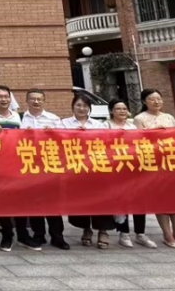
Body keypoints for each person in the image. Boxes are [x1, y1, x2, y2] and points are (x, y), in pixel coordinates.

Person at [0, 86, 39, 252]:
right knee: (3, 201)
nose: (3, 99)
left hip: (17, 164)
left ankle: (23, 235)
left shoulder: (18, 116)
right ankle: (7, 235)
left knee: (20, 200)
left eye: (6, 96)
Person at [134, 89, 175, 248]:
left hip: (172, 162)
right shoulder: (139, 118)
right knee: (161, 199)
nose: (156, 102)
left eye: (158, 98)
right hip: (154, 163)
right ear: (144, 101)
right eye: (152, 99)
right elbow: (138, 141)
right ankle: (167, 234)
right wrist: (155, 133)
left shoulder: (169, 117)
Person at [63, 95, 115, 249]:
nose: (81, 108)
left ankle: (103, 230)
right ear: (73, 107)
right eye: (78, 105)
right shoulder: (64, 123)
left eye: (85, 106)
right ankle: (86, 228)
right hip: (76, 169)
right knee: (81, 200)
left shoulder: (99, 125)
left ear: (90, 108)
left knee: (101, 199)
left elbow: (108, 143)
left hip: (96, 168)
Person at [19, 89, 69, 251]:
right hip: (29, 165)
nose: (36, 102)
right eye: (32, 99)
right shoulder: (20, 118)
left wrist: (53, 133)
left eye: (39, 99)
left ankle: (57, 236)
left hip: (50, 165)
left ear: (44, 100)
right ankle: (38, 234)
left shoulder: (53, 119)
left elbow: (64, 140)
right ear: (27, 101)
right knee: (35, 202)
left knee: (53, 201)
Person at [107, 99, 155, 248]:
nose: (122, 111)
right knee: (121, 200)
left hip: (133, 167)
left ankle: (140, 233)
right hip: (115, 168)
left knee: (139, 200)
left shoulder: (132, 126)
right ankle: (124, 233)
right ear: (111, 111)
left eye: (124, 108)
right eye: (118, 108)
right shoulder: (105, 126)